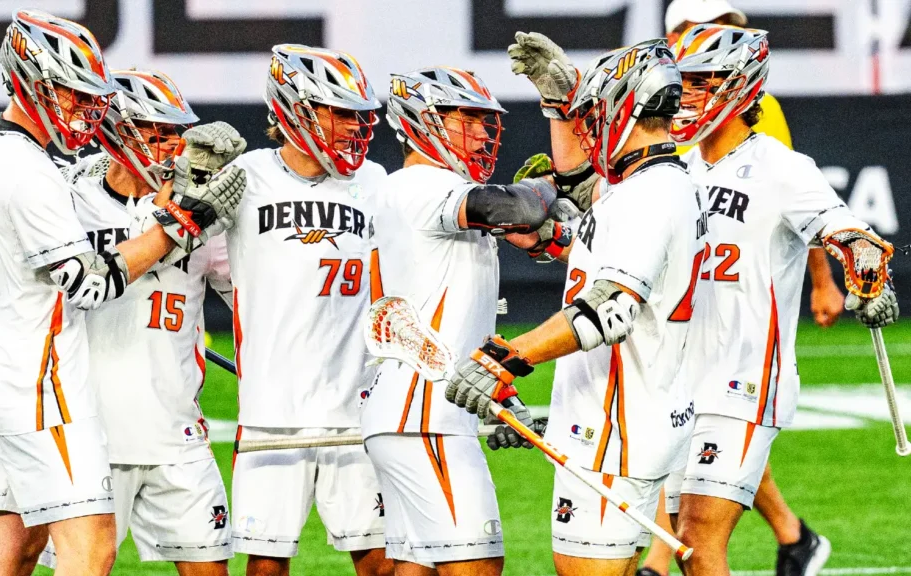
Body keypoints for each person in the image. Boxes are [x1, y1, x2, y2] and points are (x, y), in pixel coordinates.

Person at [0, 11, 243, 576]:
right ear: (30, 80)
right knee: (89, 548)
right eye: (69, 93)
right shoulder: (39, 177)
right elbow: (94, 283)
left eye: (88, 95)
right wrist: (178, 224)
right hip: (34, 391)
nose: (84, 108)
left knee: (12, 546)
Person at [447, 39, 710, 576]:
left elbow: (609, 309)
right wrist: (558, 105)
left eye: (596, 111)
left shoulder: (648, 195)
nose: (590, 125)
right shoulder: (651, 183)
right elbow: (579, 188)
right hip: (634, 418)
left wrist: (503, 357)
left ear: (628, 107)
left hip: (616, 430)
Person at [662, 24, 898, 576]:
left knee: (699, 535)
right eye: (684, 81)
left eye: (703, 80)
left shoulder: (782, 168)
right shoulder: (674, 167)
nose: (687, 93)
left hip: (746, 378)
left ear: (742, 87)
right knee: (682, 540)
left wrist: (866, 270)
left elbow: (843, 228)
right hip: (677, 378)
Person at [36, 70, 243, 575]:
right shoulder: (65, 201)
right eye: (155, 132)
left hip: (175, 432)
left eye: (176, 134)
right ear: (113, 130)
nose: (171, 148)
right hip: (85, 433)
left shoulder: (204, 206)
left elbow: (250, 299)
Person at [363, 64, 563, 575]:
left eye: (483, 121)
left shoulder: (426, 190)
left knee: (418, 568)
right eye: (465, 120)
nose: (480, 134)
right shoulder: (419, 183)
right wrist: (555, 182)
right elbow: (514, 206)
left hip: (418, 416)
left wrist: (502, 403)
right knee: (475, 566)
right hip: (424, 418)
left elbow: (458, 322)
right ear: (420, 121)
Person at [224, 44, 392, 576]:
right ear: (295, 108)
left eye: (359, 115)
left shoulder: (375, 181)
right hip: (272, 410)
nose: (354, 127)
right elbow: (189, 263)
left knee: (382, 559)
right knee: (266, 561)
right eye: (339, 112)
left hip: (356, 402)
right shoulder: (244, 178)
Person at [663, 0, 846, 329]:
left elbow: (797, 198)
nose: (721, 36)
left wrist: (822, 281)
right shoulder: (647, 113)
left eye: (727, 27)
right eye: (707, 27)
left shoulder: (761, 106)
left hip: (743, 297)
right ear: (672, 38)